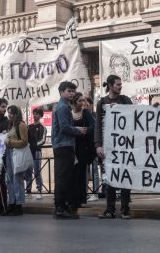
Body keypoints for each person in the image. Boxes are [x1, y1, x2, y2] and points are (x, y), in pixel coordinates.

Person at [95, 74, 133, 219]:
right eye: (118, 84)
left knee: (124, 177)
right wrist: (98, 145)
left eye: (120, 84)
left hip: (124, 146)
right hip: (107, 146)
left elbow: (136, 115)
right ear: (110, 86)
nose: (120, 86)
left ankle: (125, 209)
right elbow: (98, 124)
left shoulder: (125, 100)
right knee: (109, 178)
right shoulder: (101, 103)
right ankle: (110, 209)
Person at [53, 80, 86, 219]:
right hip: (63, 145)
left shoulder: (64, 106)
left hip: (65, 145)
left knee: (65, 177)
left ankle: (63, 207)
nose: (72, 93)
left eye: (73, 91)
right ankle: (60, 209)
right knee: (63, 178)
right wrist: (78, 131)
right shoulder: (63, 107)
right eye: (69, 91)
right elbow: (64, 127)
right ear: (61, 92)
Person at [69, 92, 95, 212]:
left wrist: (85, 131)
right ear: (74, 102)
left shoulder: (86, 113)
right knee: (72, 174)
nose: (83, 103)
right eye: (80, 101)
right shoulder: (69, 114)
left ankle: (80, 199)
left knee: (81, 173)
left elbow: (93, 126)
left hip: (83, 147)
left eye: (83, 101)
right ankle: (73, 199)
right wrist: (75, 130)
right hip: (72, 147)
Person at [4, 105, 30, 216]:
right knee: (9, 179)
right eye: (8, 113)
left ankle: (18, 205)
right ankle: (12, 203)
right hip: (10, 153)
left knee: (17, 179)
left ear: (16, 114)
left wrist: (10, 143)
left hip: (17, 153)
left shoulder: (21, 125)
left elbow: (24, 141)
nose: (9, 115)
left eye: (12, 113)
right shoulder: (11, 125)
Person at [25, 107, 47, 199]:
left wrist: (34, 145)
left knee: (37, 170)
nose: (34, 115)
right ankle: (28, 189)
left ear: (40, 115)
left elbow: (43, 140)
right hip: (28, 151)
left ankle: (39, 189)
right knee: (28, 170)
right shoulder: (28, 127)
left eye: (37, 114)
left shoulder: (42, 127)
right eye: (34, 113)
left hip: (37, 151)